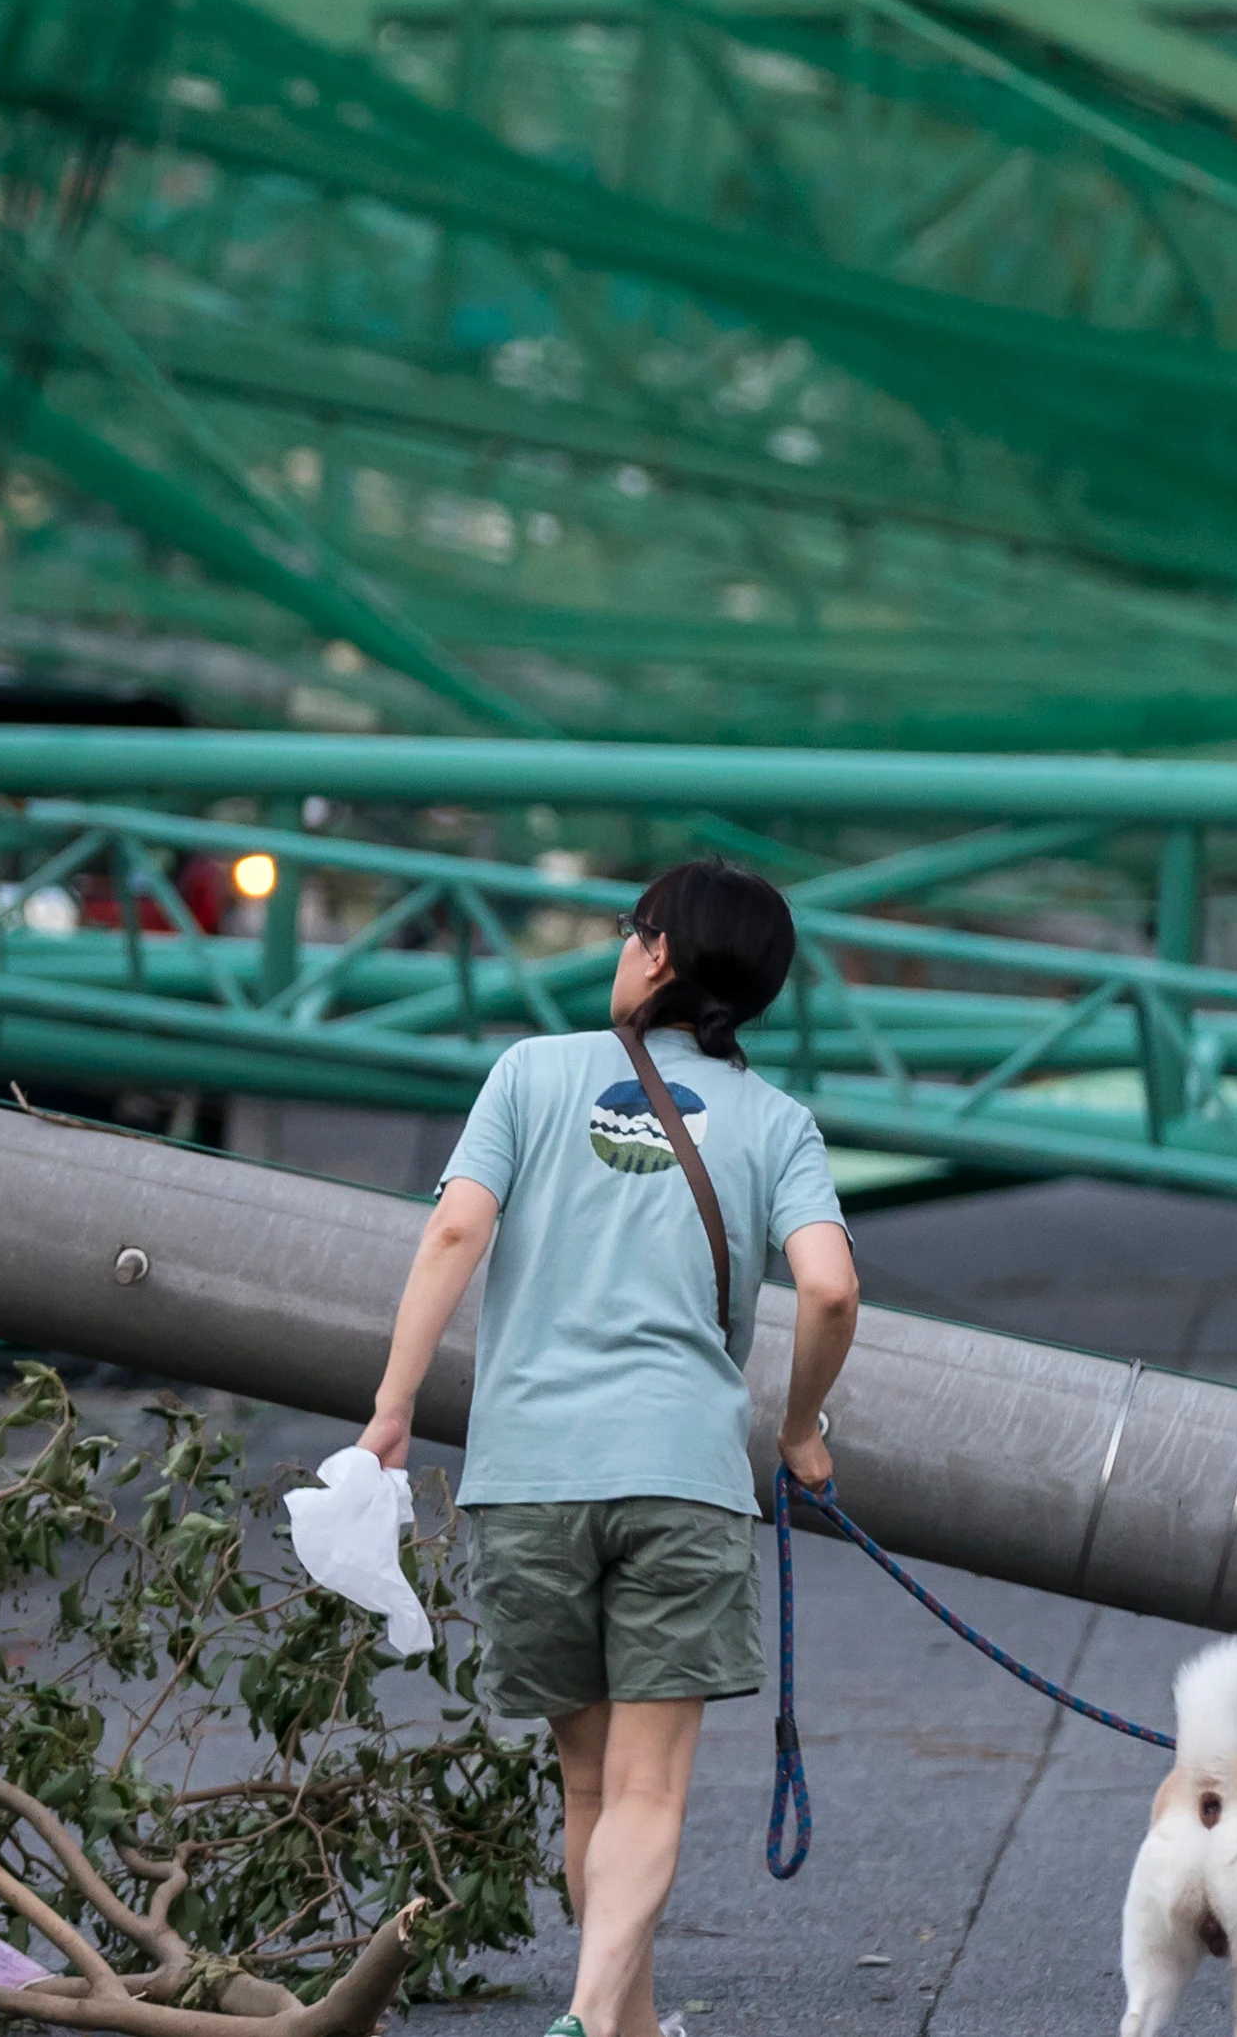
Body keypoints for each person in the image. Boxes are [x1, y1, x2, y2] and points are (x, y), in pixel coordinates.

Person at [355, 858, 861, 2037]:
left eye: (632, 927)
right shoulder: (774, 1121)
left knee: (589, 1784)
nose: (620, 943)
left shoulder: (529, 1074)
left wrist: (391, 1407)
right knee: (648, 1789)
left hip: (527, 1476)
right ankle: (597, 2019)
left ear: (661, 956)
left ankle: (614, 2025)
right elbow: (830, 1290)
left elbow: (452, 1230)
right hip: (680, 1477)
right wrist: (795, 1428)